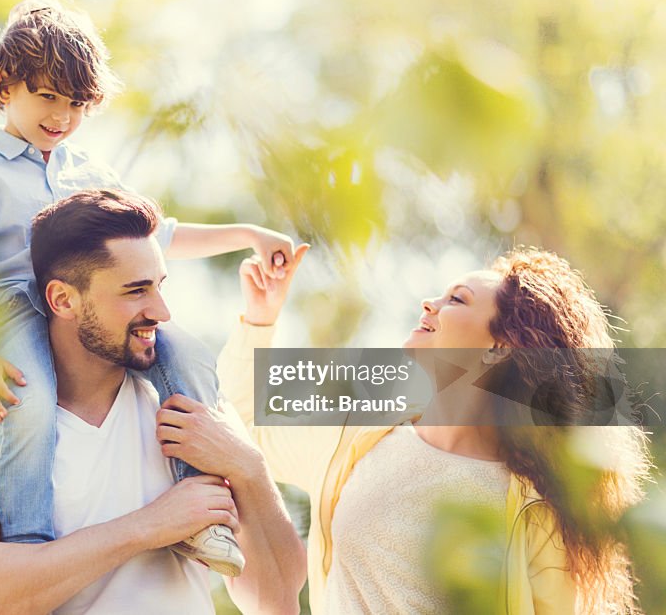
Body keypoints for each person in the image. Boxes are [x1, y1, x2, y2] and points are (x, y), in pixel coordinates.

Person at [0, 0, 296, 574]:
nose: (61, 116)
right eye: (46, 96)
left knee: (190, 358)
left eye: (76, 103)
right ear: (4, 87)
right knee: (26, 405)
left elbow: (152, 238)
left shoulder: (88, 172)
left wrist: (248, 233)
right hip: (14, 311)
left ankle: (200, 512)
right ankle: (28, 541)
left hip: (96, 309)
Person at [0, 189, 306, 615]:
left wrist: (248, 469)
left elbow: (277, 602)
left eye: (160, 286)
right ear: (63, 300)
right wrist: (150, 526)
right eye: (136, 291)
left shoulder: (194, 408)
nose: (162, 312)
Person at [221, 246, 651, 613]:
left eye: (456, 300)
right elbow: (244, 426)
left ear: (499, 347)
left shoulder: (536, 508)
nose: (429, 302)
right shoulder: (360, 440)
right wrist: (261, 317)